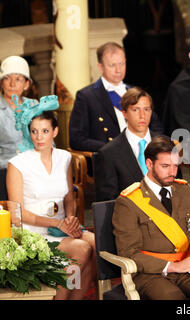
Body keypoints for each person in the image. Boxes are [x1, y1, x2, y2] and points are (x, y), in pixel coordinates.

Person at [112, 135, 190, 300]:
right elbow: (129, 252)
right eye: (165, 166)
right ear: (149, 164)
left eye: (175, 166)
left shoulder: (184, 190)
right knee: (172, 298)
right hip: (150, 273)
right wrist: (173, 266)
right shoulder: (128, 201)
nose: (172, 172)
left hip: (187, 265)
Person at [6, 101, 96, 300]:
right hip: (32, 233)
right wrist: (59, 223)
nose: (39, 137)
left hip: (62, 227)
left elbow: (69, 197)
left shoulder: (64, 157)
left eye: (45, 131)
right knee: (81, 248)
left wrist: (71, 220)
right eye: (34, 131)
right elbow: (17, 213)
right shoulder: (17, 164)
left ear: (55, 132)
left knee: (97, 244)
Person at [69, 42, 164, 152]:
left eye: (122, 64)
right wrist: (113, 148)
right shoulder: (86, 96)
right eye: (112, 65)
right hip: (110, 159)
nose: (118, 70)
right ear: (101, 67)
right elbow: (77, 139)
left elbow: (156, 128)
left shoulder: (137, 92)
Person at [94, 87, 162, 201]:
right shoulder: (109, 153)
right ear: (124, 113)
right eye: (135, 110)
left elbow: (178, 190)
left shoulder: (166, 145)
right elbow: (108, 201)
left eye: (146, 109)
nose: (142, 115)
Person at [0, 56, 37, 168]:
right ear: (1, 83)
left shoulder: (34, 105)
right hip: (5, 168)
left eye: (18, 79)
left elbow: (48, 141)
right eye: (7, 78)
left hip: (34, 164)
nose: (12, 84)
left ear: (26, 85)